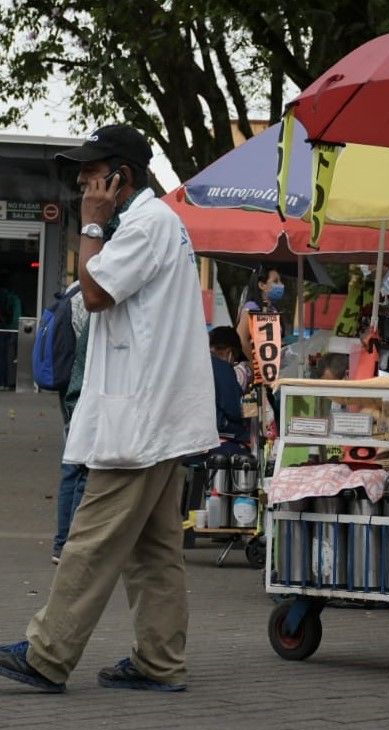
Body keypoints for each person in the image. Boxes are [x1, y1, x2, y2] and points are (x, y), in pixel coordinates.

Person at [0, 123, 218, 694]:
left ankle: (48, 654)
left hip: (140, 420)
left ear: (119, 177)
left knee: (91, 539)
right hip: (155, 415)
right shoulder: (154, 225)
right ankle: (159, 660)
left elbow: (94, 293)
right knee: (154, 550)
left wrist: (92, 223)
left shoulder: (144, 225)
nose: (81, 184)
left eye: (91, 174)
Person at [51, 280, 90, 564]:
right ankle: (70, 545)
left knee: (70, 467)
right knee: (83, 469)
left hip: (67, 390)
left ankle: (61, 543)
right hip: (83, 391)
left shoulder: (71, 292)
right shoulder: (91, 296)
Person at [208, 326, 251, 456]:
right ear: (229, 352)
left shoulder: (193, 362)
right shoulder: (223, 368)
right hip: (215, 437)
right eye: (235, 359)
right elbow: (234, 410)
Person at [235, 263, 284, 366]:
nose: (281, 285)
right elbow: (241, 339)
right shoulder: (251, 309)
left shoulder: (274, 310)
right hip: (255, 371)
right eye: (275, 281)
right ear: (262, 285)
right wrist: (257, 365)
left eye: (280, 281)